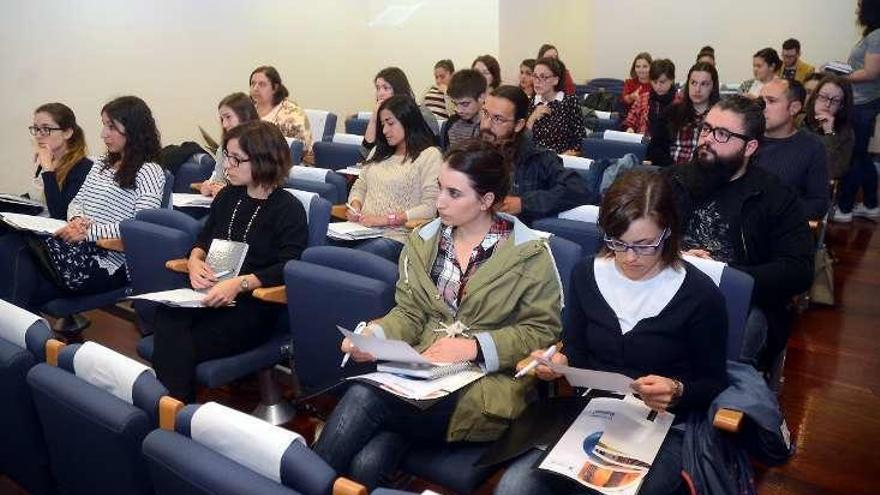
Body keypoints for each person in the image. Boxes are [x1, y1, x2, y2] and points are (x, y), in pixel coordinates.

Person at [314, 140, 563, 490]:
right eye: (439, 189)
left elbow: (541, 332)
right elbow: (411, 311)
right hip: (422, 377)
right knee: (366, 461)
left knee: (363, 398)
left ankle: (298, 482)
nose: (439, 201)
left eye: (454, 193)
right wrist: (379, 336)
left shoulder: (530, 254)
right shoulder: (427, 241)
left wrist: (473, 347)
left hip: (485, 389)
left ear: (486, 200)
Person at [496, 168, 729, 495]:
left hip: (664, 424)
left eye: (645, 245)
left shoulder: (699, 295)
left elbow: (713, 381)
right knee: (515, 488)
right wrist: (557, 362)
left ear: (668, 232)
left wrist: (677, 389)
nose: (630, 257)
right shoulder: (586, 275)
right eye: (618, 242)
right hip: (592, 411)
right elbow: (577, 350)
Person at [152, 120, 308, 401]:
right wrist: (195, 261)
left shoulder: (288, 209)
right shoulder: (227, 196)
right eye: (227, 157)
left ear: (263, 160)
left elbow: (290, 266)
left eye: (236, 159)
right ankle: (172, 409)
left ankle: (170, 410)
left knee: (180, 340)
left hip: (254, 305)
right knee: (166, 316)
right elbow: (204, 239)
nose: (227, 167)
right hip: (212, 292)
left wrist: (239, 284)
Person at [669, 94, 813, 368]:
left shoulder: (775, 196)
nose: (707, 139)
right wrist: (677, 254)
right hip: (670, 283)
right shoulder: (675, 179)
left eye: (722, 134)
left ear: (750, 147)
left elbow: (799, 270)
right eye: (707, 128)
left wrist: (726, 273)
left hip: (738, 301)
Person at [0, 96, 166, 313]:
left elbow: (141, 227)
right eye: (104, 126)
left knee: (15, 251)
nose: (103, 134)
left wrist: (88, 232)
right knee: (13, 257)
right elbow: (77, 201)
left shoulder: (149, 171)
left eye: (111, 127)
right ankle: (17, 335)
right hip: (77, 246)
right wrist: (77, 220)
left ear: (133, 130)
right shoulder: (101, 164)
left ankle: (13, 336)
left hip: (107, 260)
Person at [346, 95, 443, 261]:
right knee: (320, 249)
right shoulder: (379, 151)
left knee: (355, 258)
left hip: (398, 236)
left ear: (408, 121)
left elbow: (430, 207)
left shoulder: (429, 155)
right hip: (361, 230)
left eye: (390, 123)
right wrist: (355, 206)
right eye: (383, 125)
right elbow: (360, 185)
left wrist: (384, 220)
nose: (384, 131)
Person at [480, 85, 591, 223]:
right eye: (485, 114)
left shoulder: (538, 158)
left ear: (519, 125)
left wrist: (524, 203)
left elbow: (577, 189)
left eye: (497, 119)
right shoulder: (469, 151)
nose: (485, 125)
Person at [754, 79, 830, 220]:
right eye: (761, 100)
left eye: (771, 101)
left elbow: (819, 204)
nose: (762, 107)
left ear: (794, 108)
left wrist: (775, 209)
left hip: (779, 229)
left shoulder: (812, 147)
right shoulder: (745, 137)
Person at [836, 0, 880, 222]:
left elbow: (871, 72)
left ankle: (844, 209)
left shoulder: (876, 36)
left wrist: (840, 76)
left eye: (860, 5)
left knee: (853, 155)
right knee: (862, 156)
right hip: (863, 102)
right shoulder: (872, 35)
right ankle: (871, 204)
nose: (857, 10)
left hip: (863, 104)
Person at [17, 103, 92, 219]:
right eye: (36, 128)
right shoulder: (48, 159)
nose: (38, 135)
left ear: (67, 133)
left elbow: (61, 215)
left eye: (46, 129)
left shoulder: (83, 168)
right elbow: (36, 200)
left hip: (54, 233)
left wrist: (48, 171)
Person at [647, 62, 720, 166]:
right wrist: (674, 170)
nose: (697, 89)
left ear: (713, 87)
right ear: (688, 84)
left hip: (706, 176)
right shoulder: (671, 112)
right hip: (672, 173)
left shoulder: (722, 118)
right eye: (693, 83)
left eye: (704, 84)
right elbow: (654, 150)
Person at [362, 67, 440, 156]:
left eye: (386, 88)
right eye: (378, 88)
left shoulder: (423, 114)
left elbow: (432, 150)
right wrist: (374, 119)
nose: (380, 93)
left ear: (398, 89)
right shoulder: (382, 116)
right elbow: (366, 153)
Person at [198, 92, 259, 197]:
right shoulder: (223, 148)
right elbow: (218, 180)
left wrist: (226, 193)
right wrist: (209, 186)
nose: (224, 124)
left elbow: (260, 188)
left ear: (244, 115)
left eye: (228, 117)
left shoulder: (261, 146)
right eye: (222, 119)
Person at [526, 57, 586, 154]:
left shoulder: (569, 102)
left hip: (561, 160)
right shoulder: (530, 102)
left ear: (555, 80)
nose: (537, 81)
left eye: (543, 77)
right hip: (534, 161)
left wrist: (570, 153)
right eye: (535, 76)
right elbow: (521, 141)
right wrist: (532, 118)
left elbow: (580, 140)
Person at [802, 75, 856, 180]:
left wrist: (829, 133)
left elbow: (834, 171)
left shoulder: (846, 133)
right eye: (823, 97)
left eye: (835, 101)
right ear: (815, 97)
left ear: (841, 106)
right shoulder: (799, 120)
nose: (827, 104)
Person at [249, 66, 312, 151]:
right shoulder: (246, 109)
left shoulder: (293, 114)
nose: (255, 88)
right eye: (253, 84)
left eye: (262, 84)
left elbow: (304, 150)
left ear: (275, 88)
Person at [623, 58, 678, 136]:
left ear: (671, 80)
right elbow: (629, 121)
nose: (658, 86)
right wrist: (629, 128)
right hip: (644, 143)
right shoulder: (643, 98)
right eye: (654, 82)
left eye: (662, 82)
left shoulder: (680, 102)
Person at [441, 69, 488, 150]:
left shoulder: (490, 127)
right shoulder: (452, 124)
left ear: (481, 97)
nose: (458, 110)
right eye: (455, 104)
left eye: (465, 104)